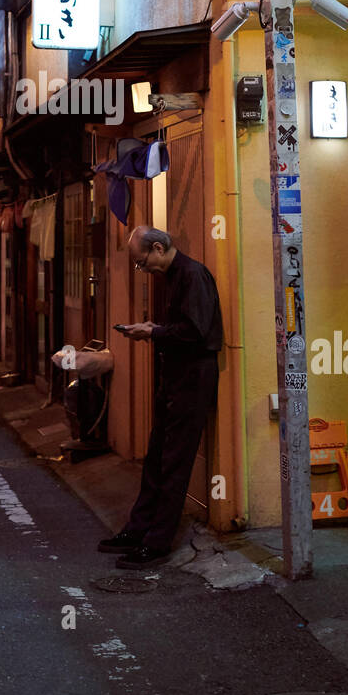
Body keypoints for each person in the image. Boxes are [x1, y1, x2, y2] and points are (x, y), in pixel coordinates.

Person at [102, 226, 223, 567]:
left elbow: (195, 332)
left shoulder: (192, 274)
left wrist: (153, 331)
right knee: (156, 457)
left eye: (143, 263)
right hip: (177, 374)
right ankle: (138, 529)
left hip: (192, 376)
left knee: (174, 461)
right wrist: (154, 331)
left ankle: (157, 542)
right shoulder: (176, 275)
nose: (144, 270)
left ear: (158, 248)